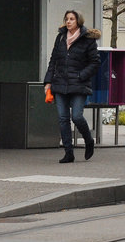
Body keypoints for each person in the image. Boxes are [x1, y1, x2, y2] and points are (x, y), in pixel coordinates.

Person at [43, 9, 100, 163]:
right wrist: (48, 81)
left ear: (78, 21)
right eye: (67, 19)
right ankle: (69, 152)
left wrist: (81, 75)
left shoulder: (87, 39)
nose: (68, 22)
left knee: (77, 116)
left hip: (78, 84)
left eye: (72, 19)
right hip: (60, 83)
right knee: (63, 118)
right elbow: (53, 61)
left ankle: (89, 141)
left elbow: (95, 63)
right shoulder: (61, 37)